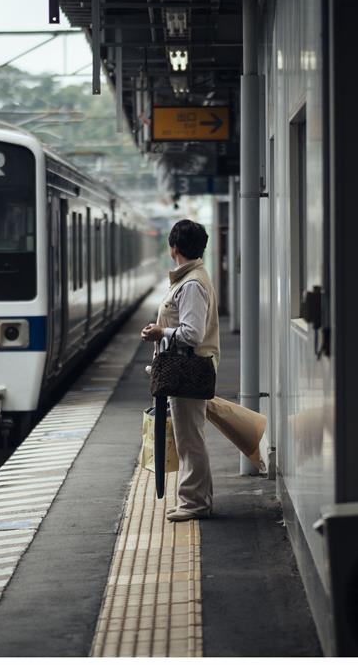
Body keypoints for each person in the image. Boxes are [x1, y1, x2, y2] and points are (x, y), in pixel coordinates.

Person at [141, 219, 220, 522]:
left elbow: (192, 334)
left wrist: (161, 332)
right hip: (186, 367)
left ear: (173, 248)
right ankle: (194, 499)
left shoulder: (191, 285)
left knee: (190, 438)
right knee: (189, 436)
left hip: (188, 368)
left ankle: (196, 502)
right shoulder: (191, 278)